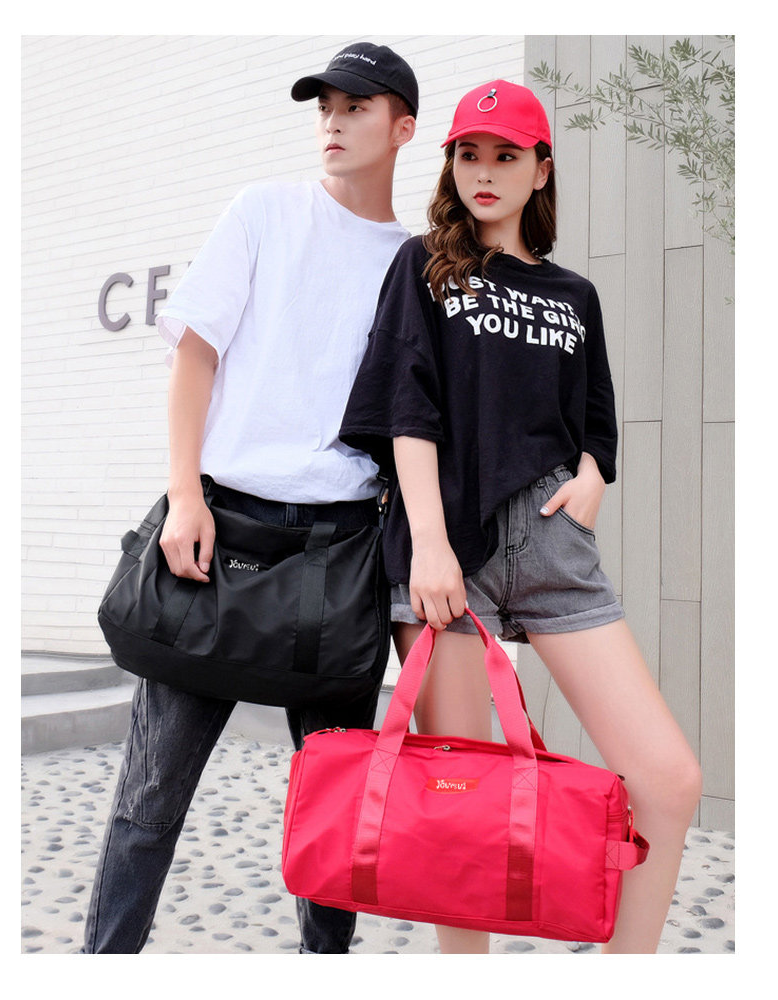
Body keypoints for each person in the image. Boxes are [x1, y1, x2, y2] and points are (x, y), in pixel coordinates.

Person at [339, 79, 702, 954]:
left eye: (506, 156)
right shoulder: (426, 265)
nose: (485, 172)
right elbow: (407, 409)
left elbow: (598, 420)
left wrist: (592, 480)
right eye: (470, 154)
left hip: (549, 547)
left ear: (541, 170)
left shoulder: (574, 293)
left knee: (668, 780)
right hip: (447, 551)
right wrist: (430, 546)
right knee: (462, 806)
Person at [82, 41, 418, 954]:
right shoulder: (263, 211)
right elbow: (195, 356)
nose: (333, 122)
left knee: (333, 811)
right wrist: (184, 494)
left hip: (342, 553)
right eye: (324, 107)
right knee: (150, 796)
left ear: (403, 128)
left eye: (356, 106)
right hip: (220, 531)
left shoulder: (414, 262)